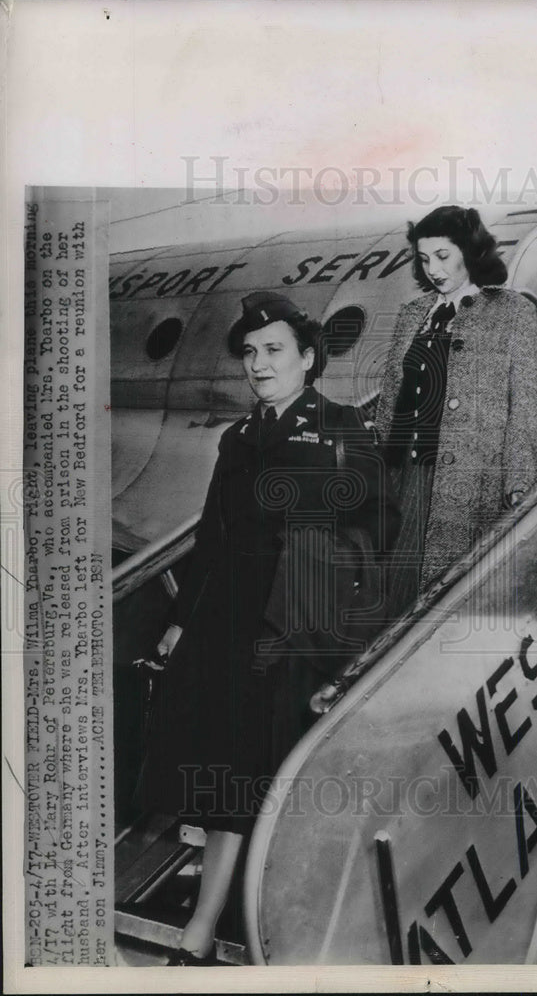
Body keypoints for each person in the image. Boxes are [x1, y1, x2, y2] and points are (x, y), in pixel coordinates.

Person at [138, 291, 398, 965]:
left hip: (298, 631)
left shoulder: (341, 429)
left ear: (308, 358)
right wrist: (177, 624)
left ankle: (259, 933)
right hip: (229, 629)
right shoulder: (240, 437)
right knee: (229, 775)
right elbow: (214, 539)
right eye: (250, 353)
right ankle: (203, 931)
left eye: (274, 350)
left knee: (279, 781)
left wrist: (344, 634)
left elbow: (380, 531)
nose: (259, 364)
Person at [374, 205, 537, 614]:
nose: (433, 268)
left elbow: (523, 405)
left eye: (443, 256)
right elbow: (391, 398)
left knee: (444, 600)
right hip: (403, 476)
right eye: (424, 258)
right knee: (392, 596)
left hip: (465, 481)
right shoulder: (413, 314)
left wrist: (520, 482)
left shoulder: (511, 311)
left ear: (469, 251)